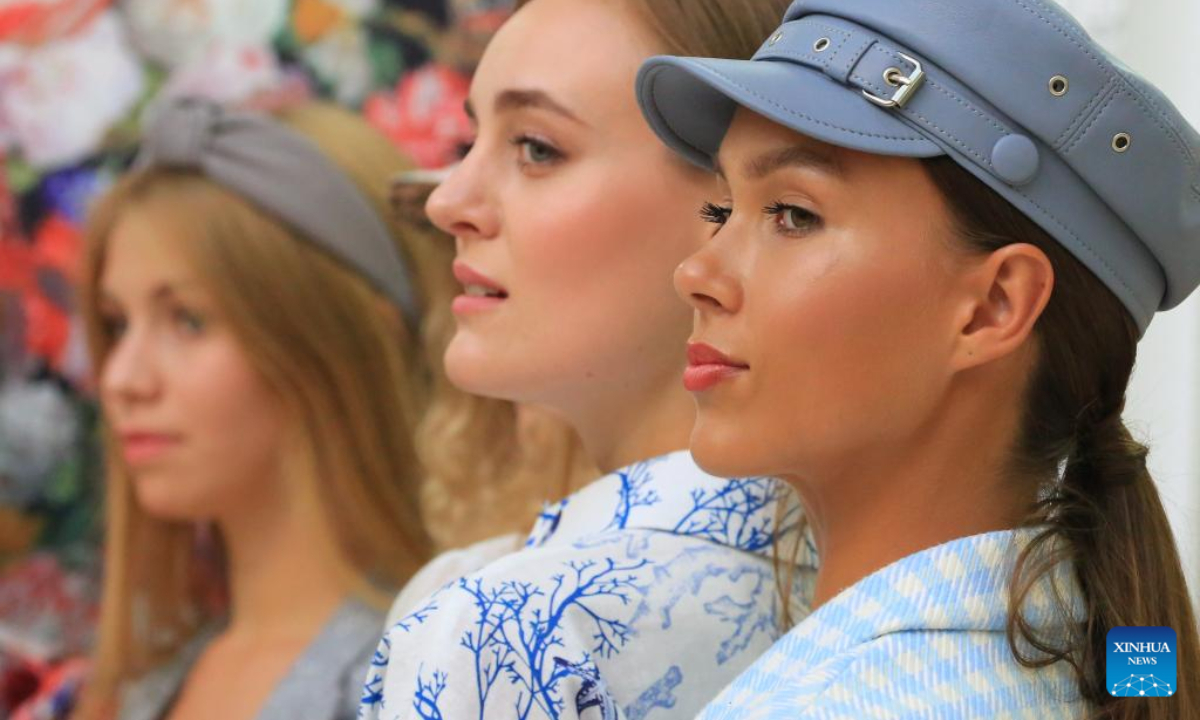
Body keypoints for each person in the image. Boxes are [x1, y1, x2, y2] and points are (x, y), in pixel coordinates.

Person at [636, 0, 1200, 717]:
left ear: (994, 305)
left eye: (792, 214)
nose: (696, 273)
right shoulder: (1088, 658)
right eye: (722, 211)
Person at [359, 1, 814, 718]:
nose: (449, 201)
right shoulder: (878, 584)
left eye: (537, 148)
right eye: (470, 140)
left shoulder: (506, 628)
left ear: (740, 197)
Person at [73, 98, 445, 720]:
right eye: (115, 325)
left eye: (187, 320)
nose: (121, 378)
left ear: (347, 343)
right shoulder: (139, 687)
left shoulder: (435, 678)